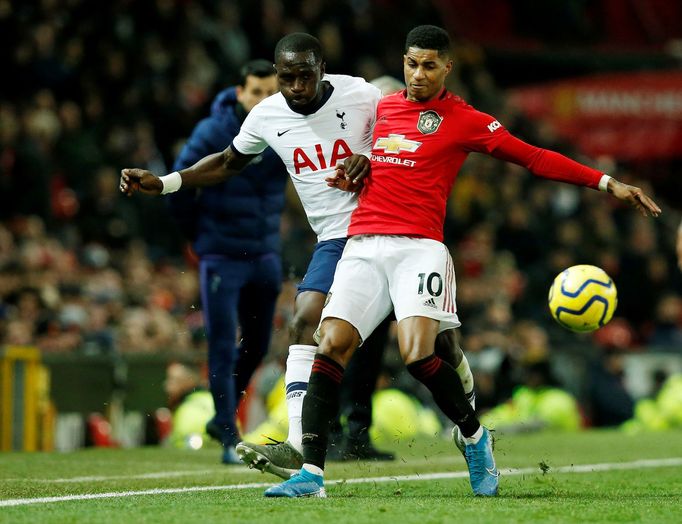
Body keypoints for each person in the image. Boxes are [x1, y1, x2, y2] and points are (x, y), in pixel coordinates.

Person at [263, 25, 661, 499]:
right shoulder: (381, 109)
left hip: (419, 248)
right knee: (330, 345)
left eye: (429, 65)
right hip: (363, 244)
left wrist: (605, 182)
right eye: (412, 63)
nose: (418, 74)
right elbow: (352, 145)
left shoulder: (464, 119)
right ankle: (311, 474)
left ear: (447, 67)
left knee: (416, 353)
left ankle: (474, 438)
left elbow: (532, 157)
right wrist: (353, 167)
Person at [120, 33, 477, 478]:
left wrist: (366, 154)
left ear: (321, 69)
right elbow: (229, 162)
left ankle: (467, 407)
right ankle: (296, 441)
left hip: (392, 229)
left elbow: (403, 125)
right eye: (286, 78)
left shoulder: (360, 94)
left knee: (434, 347)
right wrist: (167, 182)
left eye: (304, 76)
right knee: (304, 319)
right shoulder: (266, 115)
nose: (296, 86)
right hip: (335, 239)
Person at [166, 59, 286, 464]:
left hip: (264, 252)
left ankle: (221, 416)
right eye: (256, 92)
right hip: (221, 253)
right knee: (221, 344)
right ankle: (228, 432)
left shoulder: (286, 127)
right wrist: (196, 237)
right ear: (240, 93)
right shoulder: (213, 131)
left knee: (259, 344)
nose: (264, 100)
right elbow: (180, 180)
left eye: (272, 93)